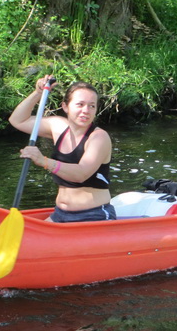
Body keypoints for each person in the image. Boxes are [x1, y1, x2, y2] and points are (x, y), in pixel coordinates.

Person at [8, 75, 116, 222]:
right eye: (80, 104)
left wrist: (44, 161)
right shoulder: (57, 126)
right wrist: (38, 93)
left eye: (92, 106)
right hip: (59, 214)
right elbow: (17, 120)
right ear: (65, 106)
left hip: (94, 214)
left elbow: (81, 174)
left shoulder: (99, 137)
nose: (86, 110)